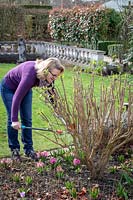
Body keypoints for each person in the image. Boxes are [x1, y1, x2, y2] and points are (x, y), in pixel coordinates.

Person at [1, 57, 65, 161]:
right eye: (53, 75)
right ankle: (14, 149)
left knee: (27, 119)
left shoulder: (48, 78)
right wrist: (14, 120)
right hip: (9, 88)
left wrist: (59, 111)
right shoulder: (30, 75)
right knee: (12, 119)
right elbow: (17, 97)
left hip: (25, 88)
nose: (54, 78)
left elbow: (51, 93)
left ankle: (29, 149)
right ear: (46, 70)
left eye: (56, 76)